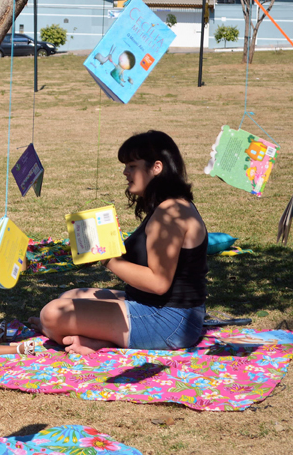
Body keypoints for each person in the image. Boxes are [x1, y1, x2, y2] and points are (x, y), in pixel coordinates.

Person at [29, 131, 208, 355]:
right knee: (68, 297)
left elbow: (158, 282)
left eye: (132, 166)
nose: (125, 172)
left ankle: (100, 342)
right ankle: (92, 338)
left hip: (170, 321)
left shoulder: (169, 213)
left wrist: (108, 259)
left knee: (52, 314)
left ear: (157, 167)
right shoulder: (167, 206)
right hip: (154, 306)